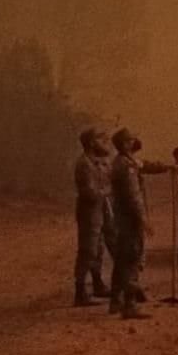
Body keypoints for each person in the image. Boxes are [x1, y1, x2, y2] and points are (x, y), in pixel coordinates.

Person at [109, 128, 156, 320]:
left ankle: (115, 301)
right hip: (129, 219)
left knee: (122, 259)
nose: (135, 141)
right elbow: (133, 196)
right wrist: (144, 221)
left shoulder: (125, 161)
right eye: (131, 139)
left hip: (123, 218)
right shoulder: (126, 165)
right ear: (124, 143)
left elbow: (146, 165)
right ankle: (130, 305)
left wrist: (167, 167)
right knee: (132, 259)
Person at [73, 128, 114, 307]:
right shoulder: (84, 164)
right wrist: (109, 191)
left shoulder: (98, 162)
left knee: (98, 249)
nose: (105, 143)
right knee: (88, 250)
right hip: (89, 211)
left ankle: (98, 284)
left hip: (100, 209)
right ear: (91, 143)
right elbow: (90, 193)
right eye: (100, 139)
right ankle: (80, 291)